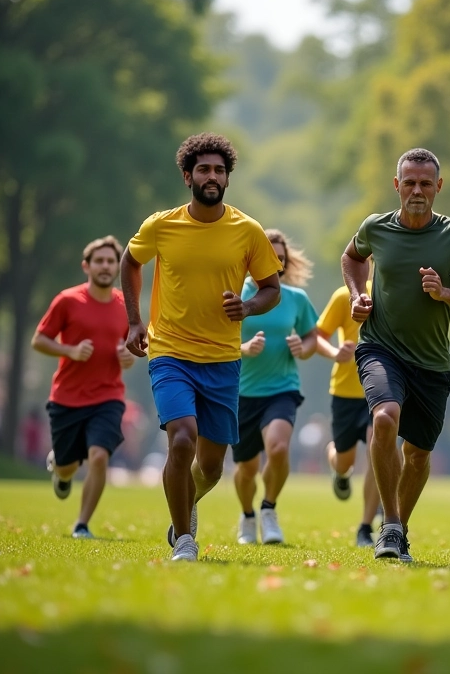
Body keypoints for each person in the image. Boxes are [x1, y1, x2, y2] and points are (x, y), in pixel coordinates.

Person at [121, 133, 282, 562]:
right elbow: (130, 261)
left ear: (227, 178)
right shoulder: (162, 225)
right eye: (204, 169)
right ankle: (183, 539)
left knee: (210, 467)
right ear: (187, 176)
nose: (212, 176)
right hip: (170, 353)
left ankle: (186, 500)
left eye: (219, 171)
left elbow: (271, 289)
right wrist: (134, 321)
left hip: (223, 359)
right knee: (181, 440)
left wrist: (247, 306)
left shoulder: (247, 231)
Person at [342, 147, 450, 562]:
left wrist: (445, 293)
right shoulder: (376, 227)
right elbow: (352, 256)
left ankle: (399, 530)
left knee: (418, 454)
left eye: (426, 183)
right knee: (384, 417)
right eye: (409, 182)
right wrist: (357, 295)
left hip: (431, 362)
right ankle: (389, 525)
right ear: (397, 185)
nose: (417, 191)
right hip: (380, 347)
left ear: (438, 186)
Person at [32, 236, 134, 538]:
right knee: (67, 467)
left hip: (108, 396)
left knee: (99, 456)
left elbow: (133, 347)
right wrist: (70, 351)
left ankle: (82, 524)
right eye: (99, 261)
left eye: (111, 261)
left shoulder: (126, 305)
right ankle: (60, 469)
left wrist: (129, 357)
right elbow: (39, 340)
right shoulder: (67, 300)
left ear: (118, 267)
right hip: (67, 397)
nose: (105, 266)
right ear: (86, 266)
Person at [233, 229, 318, 545]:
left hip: (282, 388)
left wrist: (302, 348)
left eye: (281, 259)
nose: (277, 264)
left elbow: (312, 337)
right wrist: (244, 348)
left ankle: (268, 509)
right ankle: (247, 516)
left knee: (279, 448)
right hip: (241, 392)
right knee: (246, 468)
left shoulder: (295, 298)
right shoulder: (235, 293)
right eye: (271, 257)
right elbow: (215, 339)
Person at [315, 260, 381, 548]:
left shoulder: (387, 296)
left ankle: (365, 526)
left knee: (378, 452)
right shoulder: (344, 296)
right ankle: (338, 467)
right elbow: (318, 336)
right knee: (346, 461)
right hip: (344, 390)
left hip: (379, 391)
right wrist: (334, 352)